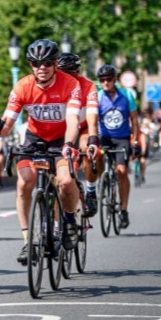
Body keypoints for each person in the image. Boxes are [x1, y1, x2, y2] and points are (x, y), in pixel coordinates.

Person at [0, 39, 81, 264]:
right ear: (30, 65)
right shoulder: (22, 87)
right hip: (34, 140)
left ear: (55, 63)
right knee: (24, 182)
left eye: (46, 62)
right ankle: (28, 241)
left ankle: (69, 220)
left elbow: (73, 120)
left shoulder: (70, 84)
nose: (41, 67)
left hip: (61, 138)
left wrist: (68, 144)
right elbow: (6, 128)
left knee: (65, 181)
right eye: (36, 63)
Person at [57, 53, 100, 216]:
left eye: (72, 72)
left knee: (85, 146)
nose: (68, 76)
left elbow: (92, 118)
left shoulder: (88, 87)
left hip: (82, 128)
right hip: (60, 131)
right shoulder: (55, 85)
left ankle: (91, 192)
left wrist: (93, 140)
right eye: (64, 73)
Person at [96, 64, 139, 228]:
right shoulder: (98, 97)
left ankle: (123, 209)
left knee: (121, 172)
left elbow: (134, 119)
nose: (105, 82)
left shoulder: (127, 95)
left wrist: (135, 141)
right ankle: (102, 179)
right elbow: (93, 119)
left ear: (115, 79)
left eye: (108, 79)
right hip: (104, 137)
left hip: (122, 138)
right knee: (97, 155)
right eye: (102, 80)